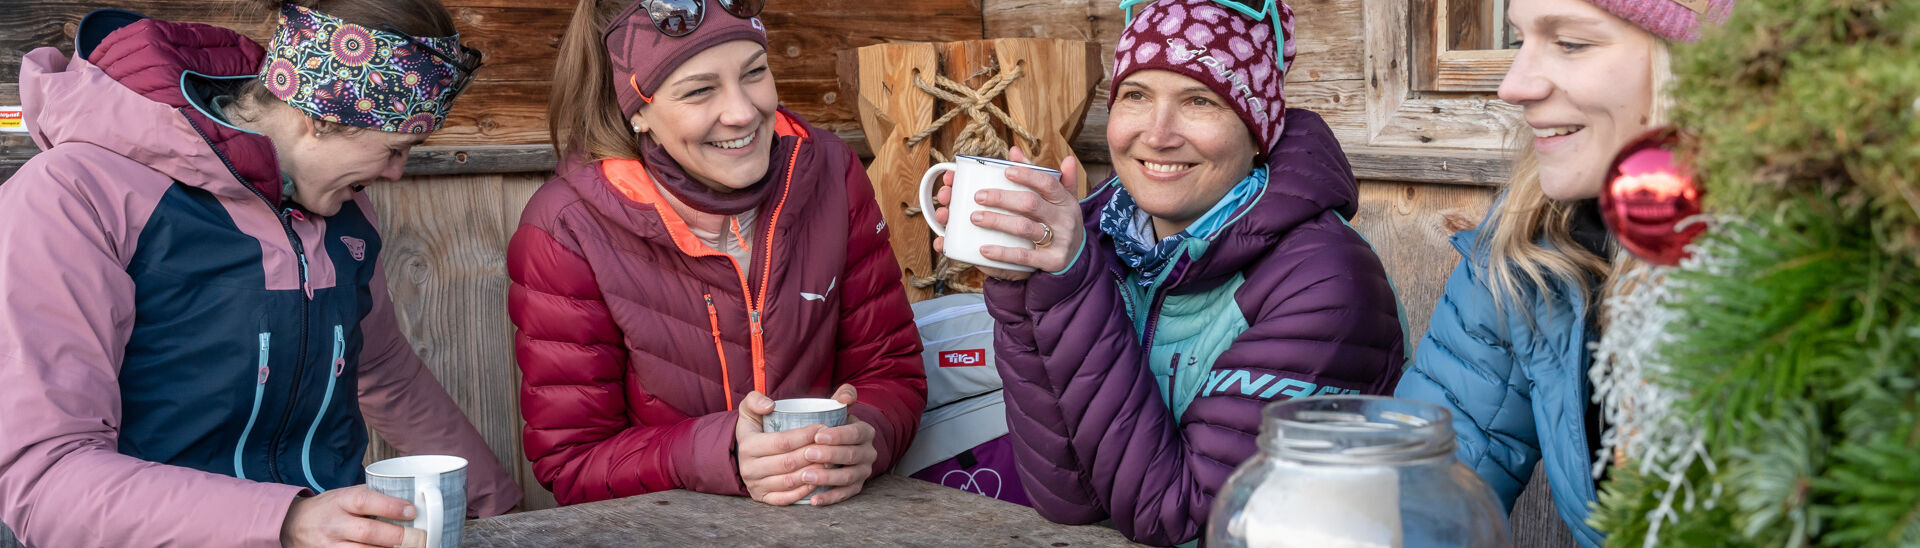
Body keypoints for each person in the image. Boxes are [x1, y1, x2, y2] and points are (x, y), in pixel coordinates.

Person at [0, 1, 523, 546]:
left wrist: (503, 511)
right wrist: (284, 523)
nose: (396, 173)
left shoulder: (340, 211)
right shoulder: (74, 197)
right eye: (394, 149)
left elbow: (384, 369)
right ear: (317, 117)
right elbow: (44, 476)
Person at [931, 0, 1406, 543]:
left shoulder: (1325, 285)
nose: (1157, 135)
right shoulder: (1104, 235)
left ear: (1258, 133)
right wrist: (1023, 284)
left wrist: (1072, 280)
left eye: (1199, 101)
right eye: (1136, 95)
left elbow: (1182, 518)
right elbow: (1065, 495)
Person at [509, 0, 927, 507]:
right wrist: (725, 451)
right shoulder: (568, 227)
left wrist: (866, 439)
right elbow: (573, 462)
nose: (743, 112)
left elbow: (890, 372)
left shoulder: (830, 174)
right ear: (638, 110)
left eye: (755, 73)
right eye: (699, 91)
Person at [1392, 0, 1735, 545]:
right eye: (1519, 40)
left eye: (1570, 43)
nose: (1514, 85)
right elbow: (1423, 485)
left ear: (1698, 66)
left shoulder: (1833, 264)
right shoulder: (1527, 244)